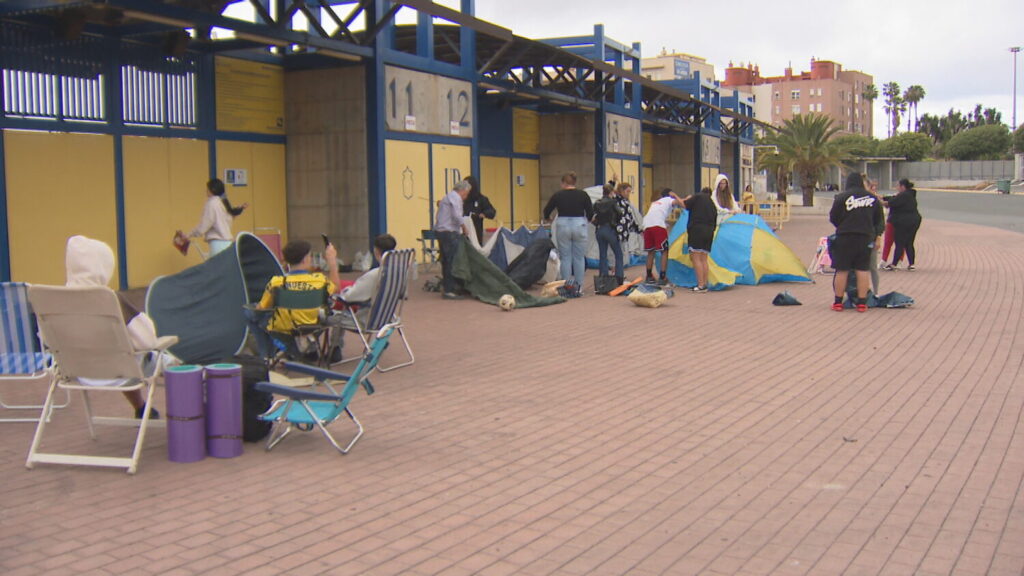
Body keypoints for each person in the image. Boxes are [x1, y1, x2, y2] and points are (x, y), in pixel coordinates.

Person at [65, 235, 163, 418]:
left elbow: (47, 338)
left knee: (117, 357)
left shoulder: (55, 299)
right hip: (117, 371)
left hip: (78, 371)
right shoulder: (109, 299)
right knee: (162, 360)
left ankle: (141, 408)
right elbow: (147, 340)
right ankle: (190, 414)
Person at [256, 239, 343, 364]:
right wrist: (332, 262)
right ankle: (304, 348)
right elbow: (337, 288)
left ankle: (267, 356)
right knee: (333, 315)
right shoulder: (319, 280)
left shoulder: (276, 282)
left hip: (284, 329)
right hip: (313, 327)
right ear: (305, 259)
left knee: (253, 315)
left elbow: (261, 308)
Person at [829, 171, 884, 312]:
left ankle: (838, 302)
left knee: (842, 270)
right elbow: (878, 219)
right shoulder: (872, 199)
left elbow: (833, 217)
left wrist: (842, 225)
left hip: (845, 236)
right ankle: (861, 303)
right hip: (864, 237)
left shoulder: (841, 197)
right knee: (862, 270)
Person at [542, 171, 593, 290]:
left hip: (563, 224)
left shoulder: (558, 195)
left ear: (563, 183)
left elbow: (547, 210)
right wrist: (589, 220)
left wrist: (548, 218)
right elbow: (590, 213)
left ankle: (567, 286)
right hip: (579, 224)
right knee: (579, 257)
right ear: (574, 182)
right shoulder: (583, 195)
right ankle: (579, 287)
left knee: (565, 257)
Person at [337, 234, 397, 328]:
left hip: (366, 320)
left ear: (376, 251)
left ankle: (335, 343)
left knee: (330, 318)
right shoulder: (397, 273)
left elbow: (349, 297)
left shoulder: (374, 275)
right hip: (387, 318)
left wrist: (345, 290)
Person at [434, 180, 473, 300]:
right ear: (462, 190)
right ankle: (450, 290)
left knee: (446, 261)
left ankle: (447, 287)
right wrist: (464, 227)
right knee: (451, 261)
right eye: (466, 193)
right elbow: (457, 215)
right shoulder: (455, 198)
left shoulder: (447, 197)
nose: (466, 196)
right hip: (449, 232)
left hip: (442, 232)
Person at [188, 178, 247, 256]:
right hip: (228, 243)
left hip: (217, 244)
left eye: (207, 189)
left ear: (212, 189)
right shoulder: (224, 203)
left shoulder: (211, 203)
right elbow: (230, 217)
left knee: (215, 267)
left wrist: (189, 235)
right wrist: (241, 208)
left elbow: (204, 225)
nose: (206, 191)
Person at [642, 188, 684, 285]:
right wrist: (675, 195)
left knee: (650, 252)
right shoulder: (668, 199)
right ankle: (662, 277)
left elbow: (656, 215)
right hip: (658, 227)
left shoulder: (655, 203)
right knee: (664, 251)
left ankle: (649, 276)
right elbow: (681, 203)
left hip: (647, 226)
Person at [681, 186, 718, 292]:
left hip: (697, 230)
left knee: (696, 257)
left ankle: (700, 285)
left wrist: (679, 198)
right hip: (709, 232)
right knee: (704, 259)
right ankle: (704, 284)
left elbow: (684, 204)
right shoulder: (712, 205)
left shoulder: (698, 197)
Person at [882, 178, 922, 271]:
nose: (897, 188)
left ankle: (894, 264)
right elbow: (893, 198)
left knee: (899, 242)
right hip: (915, 220)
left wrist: (879, 201)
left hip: (904, 221)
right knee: (909, 242)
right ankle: (911, 264)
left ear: (902, 186)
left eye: (898, 186)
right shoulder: (910, 194)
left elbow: (890, 203)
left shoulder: (903, 195)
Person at [592, 183, 624, 284]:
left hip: (600, 229)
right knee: (618, 254)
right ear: (611, 192)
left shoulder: (597, 203)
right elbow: (620, 213)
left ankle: (603, 278)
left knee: (602, 254)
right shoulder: (613, 202)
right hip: (610, 229)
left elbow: (592, 216)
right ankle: (618, 278)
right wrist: (615, 222)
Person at [863, 177, 885, 294]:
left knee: (872, 267)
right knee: (859, 269)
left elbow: (880, 222)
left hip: (870, 239)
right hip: (857, 240)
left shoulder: (874, 202)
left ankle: (876, 292)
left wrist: (878, 237)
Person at [462, 175, 497, 245]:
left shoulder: (481, 199)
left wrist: (484, 214)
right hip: (462, 231)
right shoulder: (462, 198)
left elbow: (492, 211)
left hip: (476, 231)